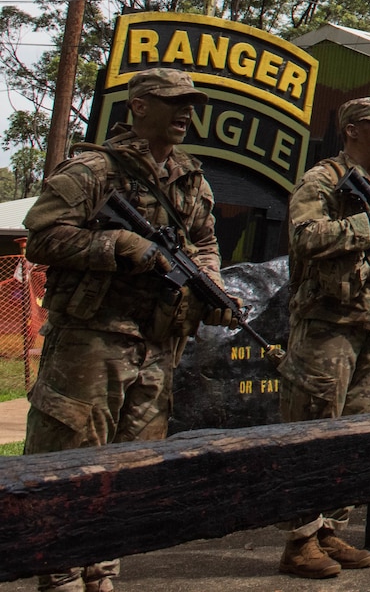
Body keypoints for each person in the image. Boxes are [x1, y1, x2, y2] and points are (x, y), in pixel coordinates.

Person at [23, 68, 227, 592]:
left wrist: (212, 285)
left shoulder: (190, 176)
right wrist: (116, 246)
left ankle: (103, 572)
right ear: (138, 105)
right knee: (71, 460)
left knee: (132, 466)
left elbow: (205, 242)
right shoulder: (93, 168)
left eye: (191, 105)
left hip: (160, 343)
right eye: (174, 103)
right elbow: (44, 238)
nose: (186, 114)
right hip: (94, 338)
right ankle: (60, 575)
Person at [276, 97, 370, 579]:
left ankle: (331, 525)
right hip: (327, 321)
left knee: (356, 430)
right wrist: (363, 227)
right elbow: (303, 236)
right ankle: (300, 538)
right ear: (352, 130)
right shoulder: (322, 179)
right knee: (312, 425)